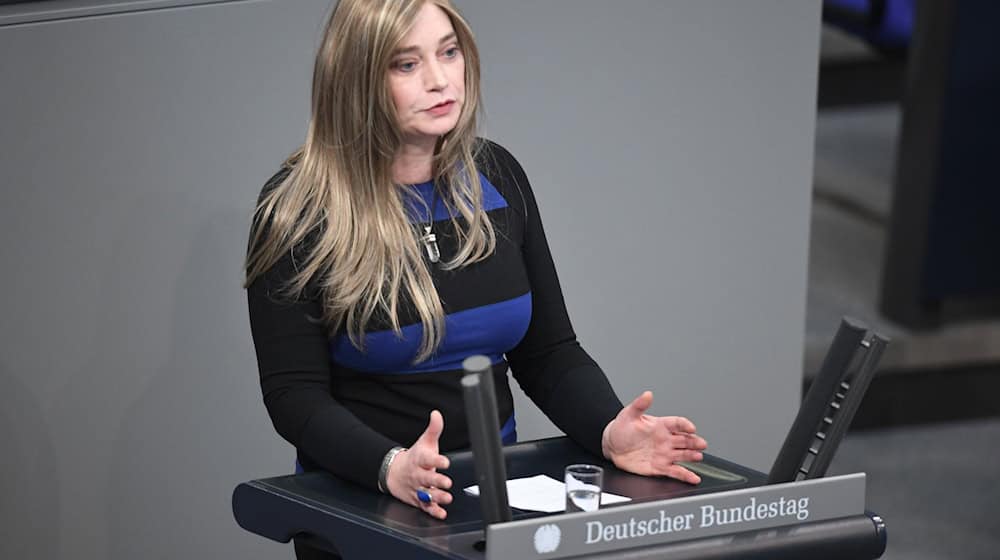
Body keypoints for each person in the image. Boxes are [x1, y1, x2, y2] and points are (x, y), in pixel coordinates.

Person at [244, 1, 708, 558]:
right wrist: (389, 467)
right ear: (357, 79)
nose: (441, 80)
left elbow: (549, 352)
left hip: (491, 506)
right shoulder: (297, 209)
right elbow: (294, 395)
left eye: (449, 52)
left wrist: (609, 429)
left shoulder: (497, 175)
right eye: (406, 64)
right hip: (362, 502)